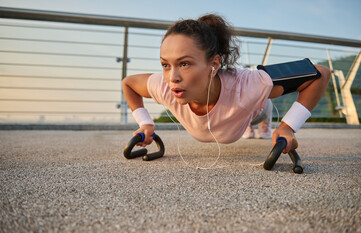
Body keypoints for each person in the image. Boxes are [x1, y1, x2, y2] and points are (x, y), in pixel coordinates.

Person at [122, 14, 331, 154]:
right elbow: (129, 84)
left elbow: (320, 73)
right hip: (233, 117)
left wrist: (289, 127)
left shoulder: (249, 84)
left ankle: (263, 115)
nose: (172, 77)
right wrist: (146, 123)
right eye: (165, 65)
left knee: (262, 105)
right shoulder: (165, 85)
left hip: (253, 109)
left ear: (214, 64)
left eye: (184, 64)